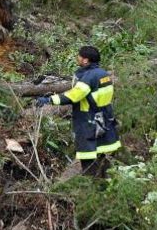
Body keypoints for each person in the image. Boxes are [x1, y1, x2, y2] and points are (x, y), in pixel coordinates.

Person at [36, 45, 120, 177]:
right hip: (104, 119)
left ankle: (89, 187)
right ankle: (104, 185)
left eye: (79, 56)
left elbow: (73, 96)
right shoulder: (104, 74)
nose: (77, 58)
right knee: (102, 155)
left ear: (85, 60)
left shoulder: (89, 77)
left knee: (88, 157)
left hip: (88, 120)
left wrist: (49, 100)